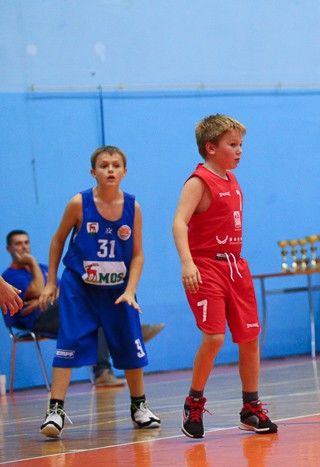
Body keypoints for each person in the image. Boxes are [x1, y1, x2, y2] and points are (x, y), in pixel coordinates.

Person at [37, 145, 161, 437]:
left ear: (124, 171)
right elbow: (57, 241)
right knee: (68, 342)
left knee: (131, 343)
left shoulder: (133, 207)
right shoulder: (79, 203)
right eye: (104, 165)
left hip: (118, 289)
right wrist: (51, 282)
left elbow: (138, 254)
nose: (110, 170)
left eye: (116, 165)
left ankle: (139, 406)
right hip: (80, 288)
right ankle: (55, 410)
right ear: (93, 171)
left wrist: (131, 290)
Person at [173, 114, 277, 439]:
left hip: (235, 267)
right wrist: (187, 263)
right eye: (232, 144)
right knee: (215, 338)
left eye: (241, 144)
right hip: (206, 266)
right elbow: (179, 222)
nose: (240, 150)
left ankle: (250, 408)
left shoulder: (232, 180)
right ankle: (193, 402)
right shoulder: (198, 181)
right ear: (211, 147)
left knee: (249, 337)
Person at [3, 229, 166, 387]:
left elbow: (62, 290)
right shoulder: (10, 275)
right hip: (37, 320)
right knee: (95, 309)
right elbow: (40, 291)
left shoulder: (43, 268)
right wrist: (32, 264)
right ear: (9, 248)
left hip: (59, 312)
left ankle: (105, 369)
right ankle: (128, 336)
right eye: (18, 244)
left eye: (26, 243)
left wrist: (44, 296)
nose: (23, 247)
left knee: (96, 312)